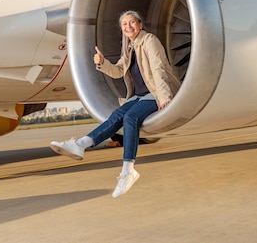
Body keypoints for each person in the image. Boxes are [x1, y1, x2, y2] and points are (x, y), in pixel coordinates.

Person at [50, 10, 180, 198]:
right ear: (122, 29)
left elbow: (158, 69)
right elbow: (119, 71)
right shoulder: (129, 46)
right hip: (138, 95)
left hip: (155, 93)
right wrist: (103, 63)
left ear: (140, 25)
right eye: (125, 24)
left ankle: (128, 171)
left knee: (130, 118)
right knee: (117, 116)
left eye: (132, 22)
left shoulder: (149, 40)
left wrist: (165, 97)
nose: (129, 26)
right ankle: (80, 144)